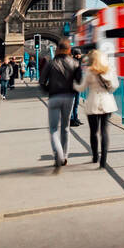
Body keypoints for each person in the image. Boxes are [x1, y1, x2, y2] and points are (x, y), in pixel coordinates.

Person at [40, 40, 81, 170]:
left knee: (53, 129)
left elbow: (42, 81)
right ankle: (64, 156)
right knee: (66, 127)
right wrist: (72, 91)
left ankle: (58, 154)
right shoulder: (75, 63)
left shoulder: (51, 63)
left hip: (54, 97)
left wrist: (49, 90)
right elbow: (79, 82)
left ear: (57, 50)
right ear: (69, 50)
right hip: (69, 98)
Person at [77, 48, 118, 167]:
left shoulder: (89, 72)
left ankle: (95, 156)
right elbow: (115, 86)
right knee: (104, 132)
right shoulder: (108, 70)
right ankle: (103, 161)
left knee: (93, 132)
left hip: (93, 103)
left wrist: (73, 84)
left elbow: (82, 88)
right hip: (107, 103)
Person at [68, 47, 84, 126]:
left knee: (76, 103)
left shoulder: (78, 62)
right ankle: (71, 120)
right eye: (78, 54)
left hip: (78, 85)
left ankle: (75, 118)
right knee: (72, 103)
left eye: (79, 54)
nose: (79, 55)